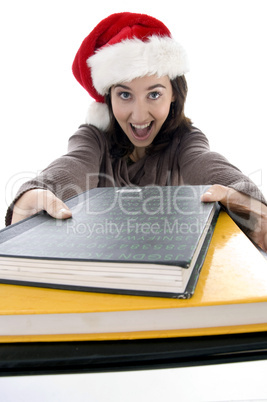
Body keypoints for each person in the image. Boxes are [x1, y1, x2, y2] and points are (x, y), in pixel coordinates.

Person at [6, 12, 267, 252]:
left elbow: (205, 163)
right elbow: (74, 163)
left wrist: (248, 201)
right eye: (125, 95)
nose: (139, 116)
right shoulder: (93, 137)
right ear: (109, 97)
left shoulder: (186, 139)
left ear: (174, 94)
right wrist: (34, 193)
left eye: (154, 94)